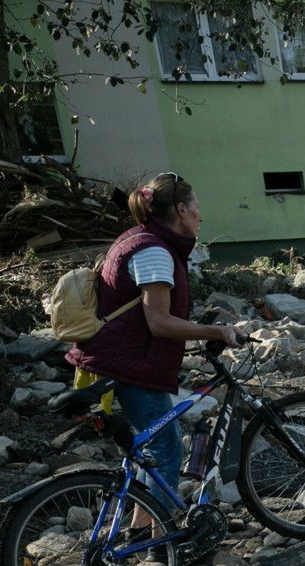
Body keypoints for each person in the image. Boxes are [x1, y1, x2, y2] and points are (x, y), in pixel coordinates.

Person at [67, 173, 240, 519]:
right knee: (166, 448)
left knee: (151, 447)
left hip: (123, 358)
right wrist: (216, 332)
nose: (200, 216)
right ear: (180, 209)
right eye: (196, 208)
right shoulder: (154, 252)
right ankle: (161, 542)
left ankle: (140, 530)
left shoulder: (139, 239)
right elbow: (158, 322)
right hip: (129, 364)